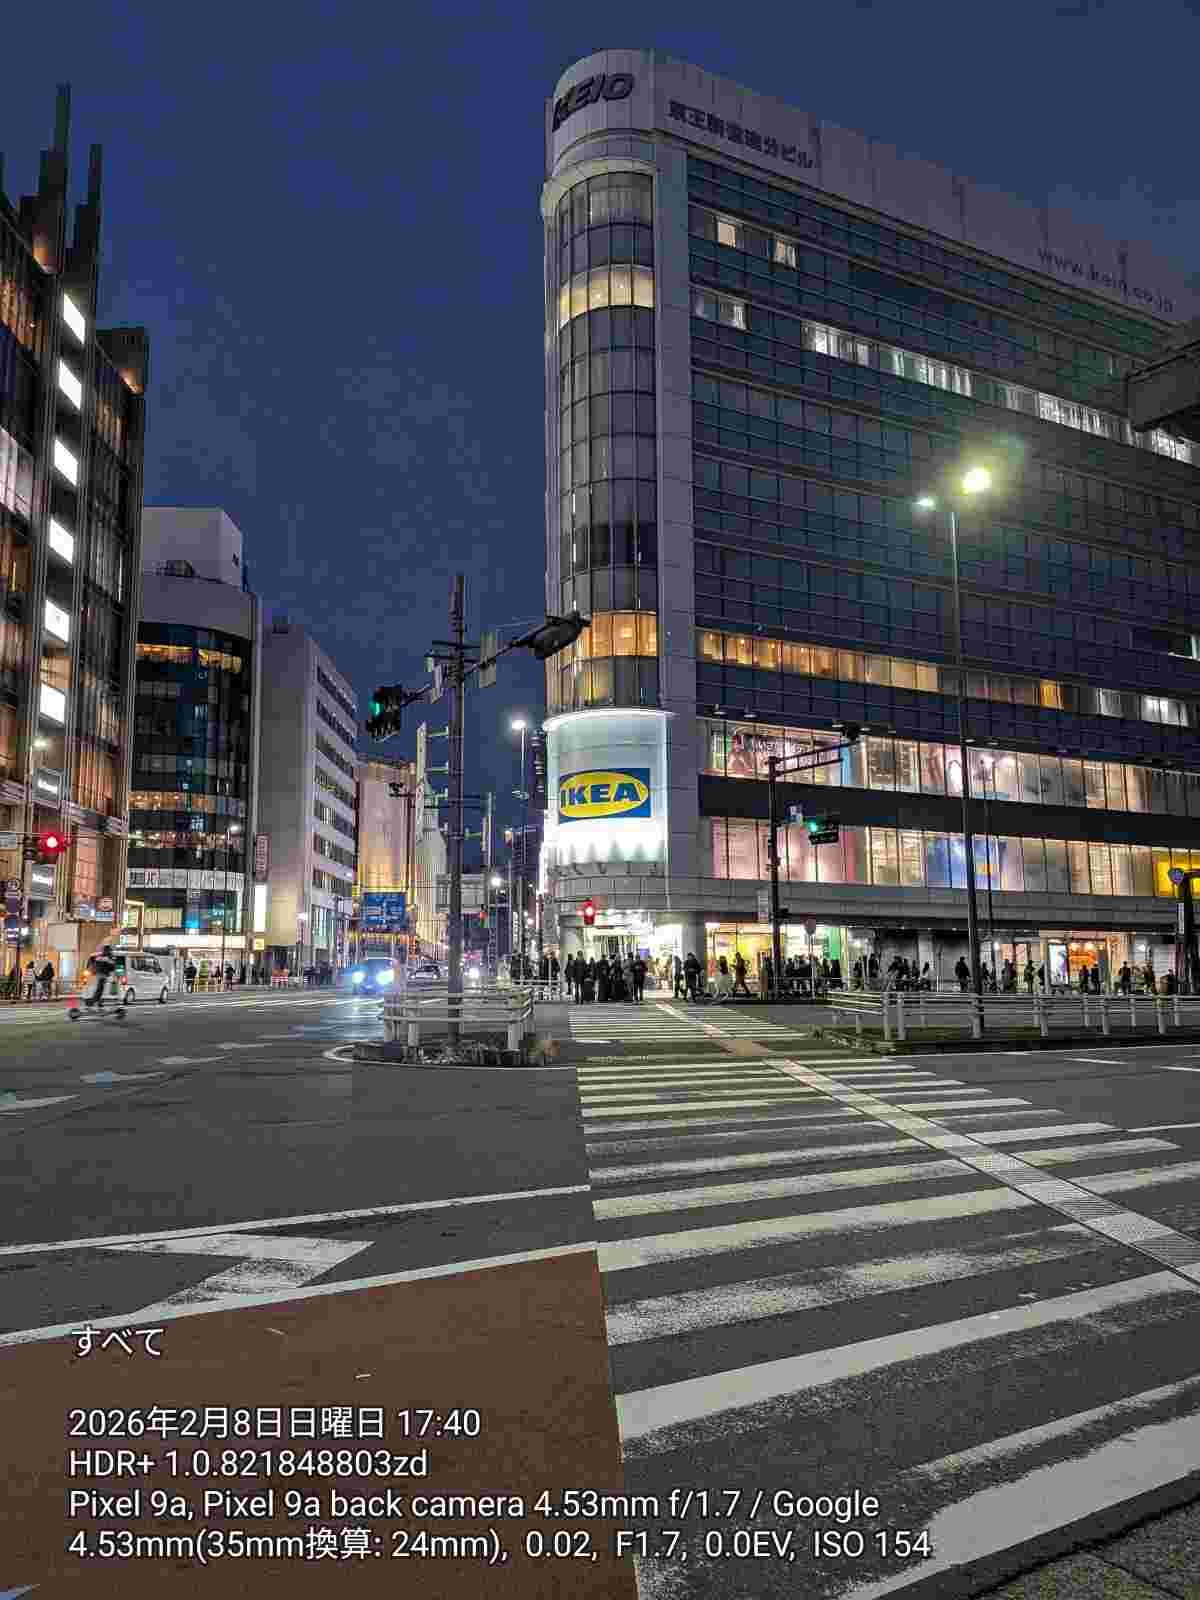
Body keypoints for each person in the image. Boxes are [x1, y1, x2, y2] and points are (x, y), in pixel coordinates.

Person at [83, 945, 118, 1011]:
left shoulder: (99, 956)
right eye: (110, 950)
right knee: (99, 989)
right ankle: (92, 1002)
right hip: (101, 975)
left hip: (97, 974)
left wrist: (89, 968)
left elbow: (91, 960)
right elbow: (112, 967)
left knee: (98, 989)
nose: (110, 951)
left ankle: (96, 1002)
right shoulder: (108, 957)